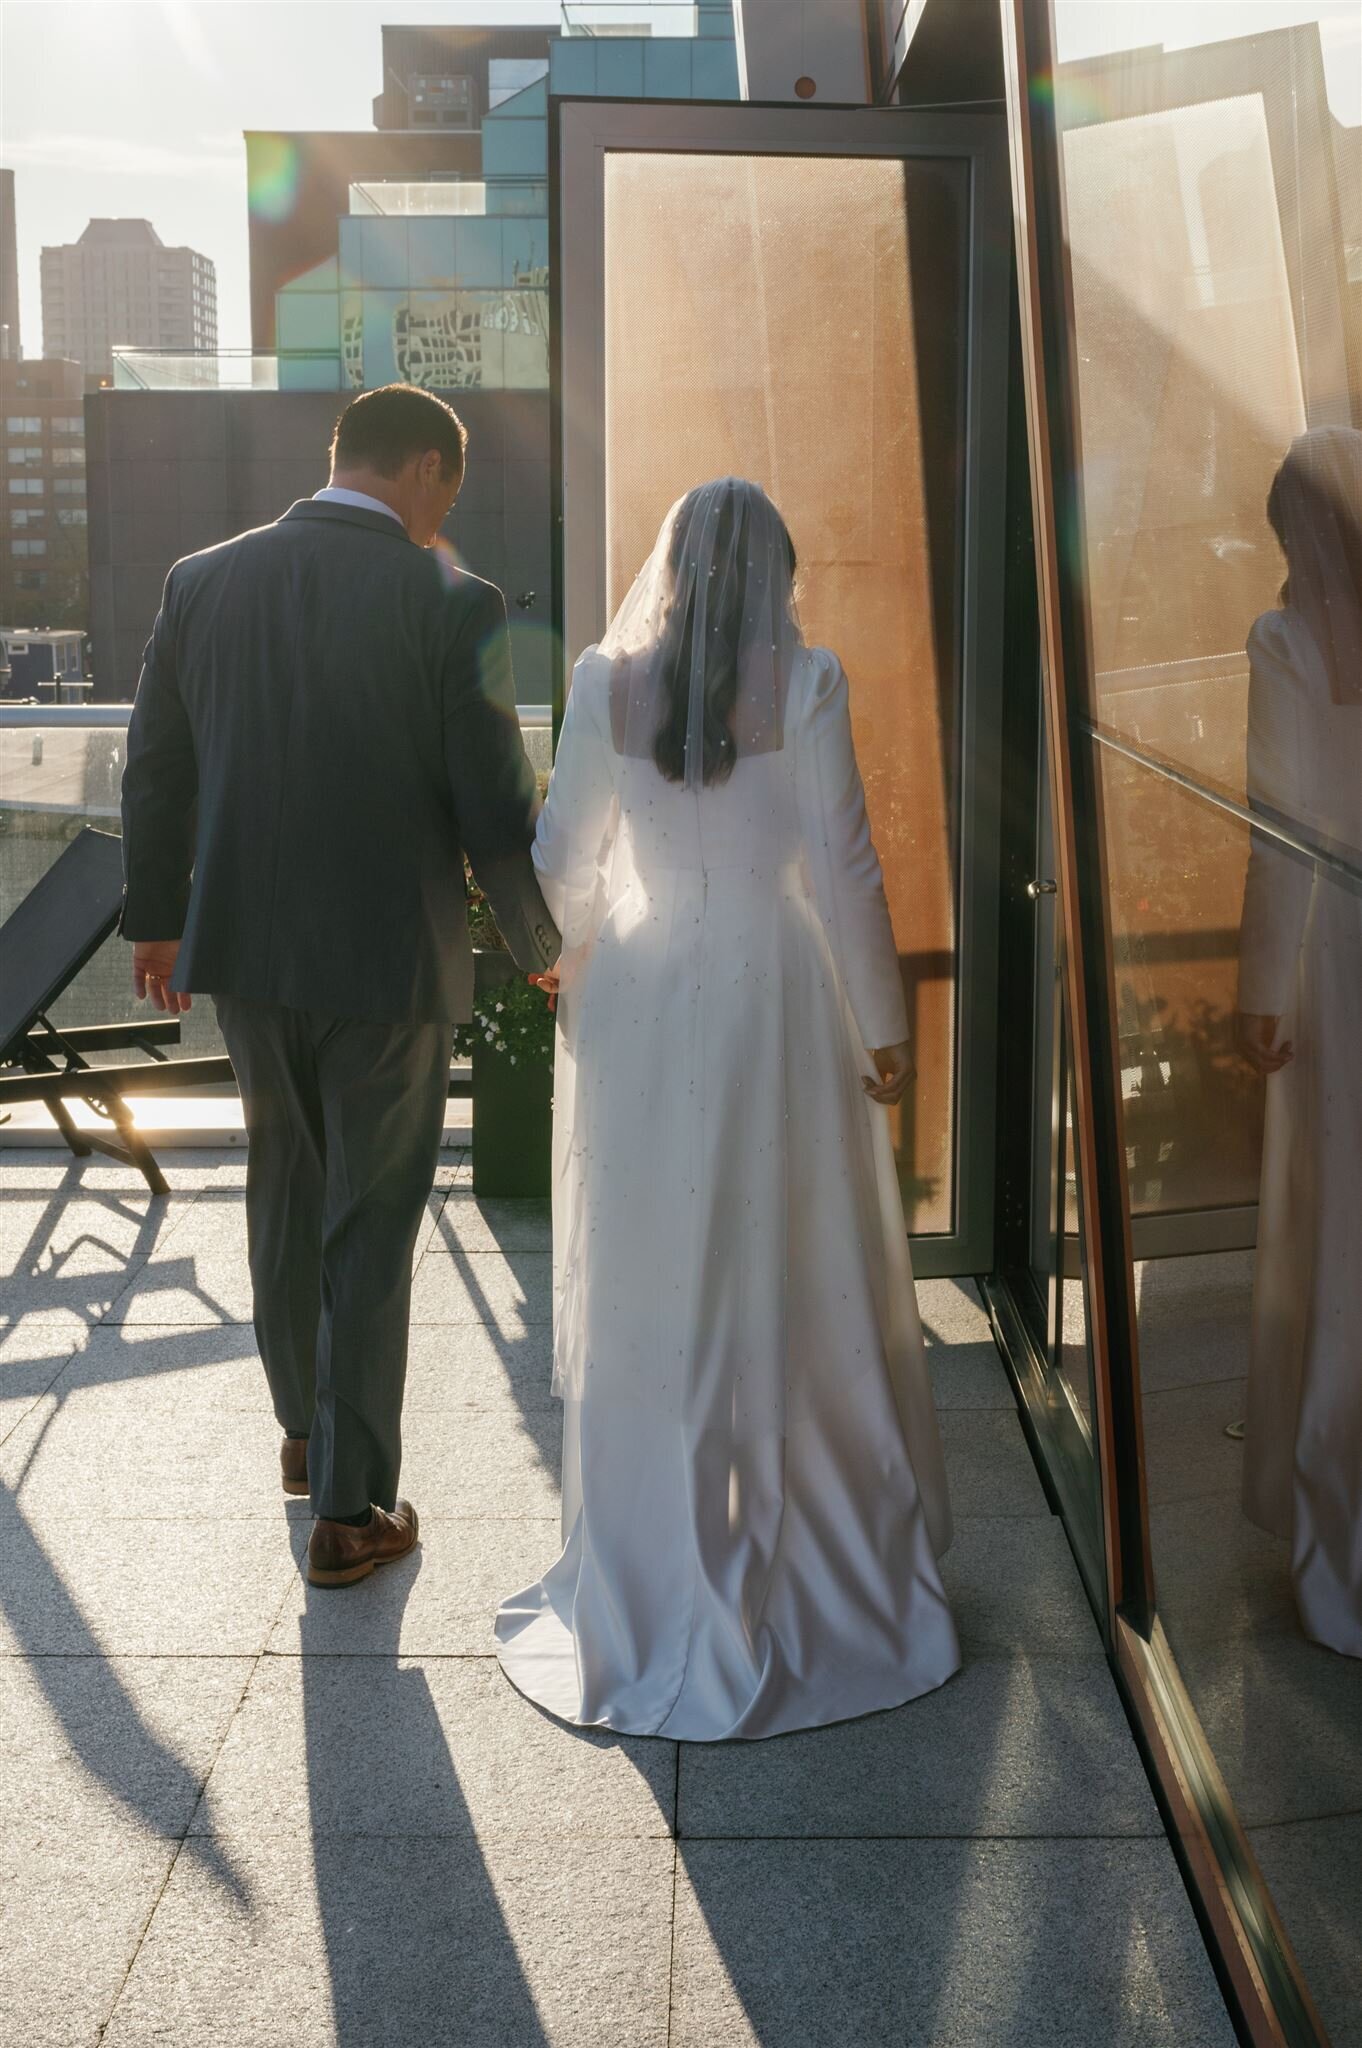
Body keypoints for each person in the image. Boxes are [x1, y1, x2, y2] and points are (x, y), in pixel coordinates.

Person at [496, 477, 960, 1738]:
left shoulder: (603, 682)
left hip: (645, 1000)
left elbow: (564, 862)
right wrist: (885, 1022)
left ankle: (655, 1566)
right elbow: (848, 860)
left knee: (654, 1278)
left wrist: (569, 959)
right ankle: (810, 1560)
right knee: (795, 1268)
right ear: (773, 569)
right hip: (773, 991)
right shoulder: (806, 682)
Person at [120, 382, 558, 1589]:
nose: (441, 517)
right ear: (424, 468)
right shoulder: (451, 601)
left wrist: (154, 923)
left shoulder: (201, 579)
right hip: (389, 962)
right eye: (447, 494)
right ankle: (355, 1510)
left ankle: (307, 1436)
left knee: (284, 1185)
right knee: (371, 1220)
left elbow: (153, 765)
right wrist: (534, 938)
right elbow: (495, 807)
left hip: (248, 953)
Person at [1236, 425, 1362, 1658]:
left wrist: (1261, 988)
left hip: (1339, 958)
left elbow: (1281, 828)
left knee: (1341, 1232)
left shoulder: (1286, 640)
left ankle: (1344, 1545)